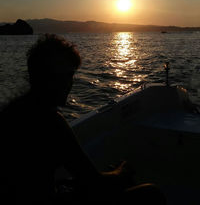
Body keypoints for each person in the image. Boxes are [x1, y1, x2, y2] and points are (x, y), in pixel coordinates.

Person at [0, 34, 166, 204]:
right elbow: (95, 182)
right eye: (56, 76)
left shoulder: (11, 112)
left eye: (69, 75)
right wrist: (121, 172)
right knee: (151, 194)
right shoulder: (50, 122)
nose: (66, 83)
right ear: (37, 76)